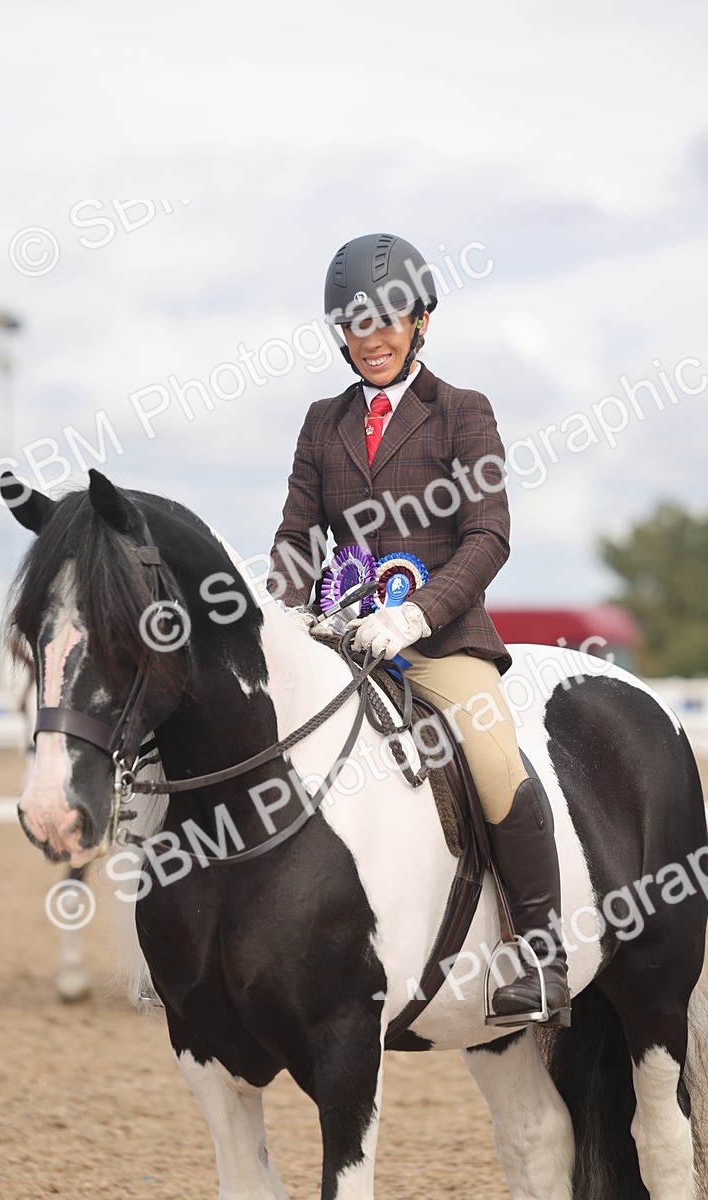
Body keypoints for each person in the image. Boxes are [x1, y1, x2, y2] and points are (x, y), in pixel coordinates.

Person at [267, 232, 570, 1027]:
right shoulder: (319, 422)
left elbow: (489, 535)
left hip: (440, 643)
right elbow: (299, 537)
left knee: (496, 762)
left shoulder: (463, 413)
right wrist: (288, 610)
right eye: (354, 324)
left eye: (387, 321)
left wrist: (417, 612)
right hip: (342, 642)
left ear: (421, 320)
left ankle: (540, 956)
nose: (371, 339)